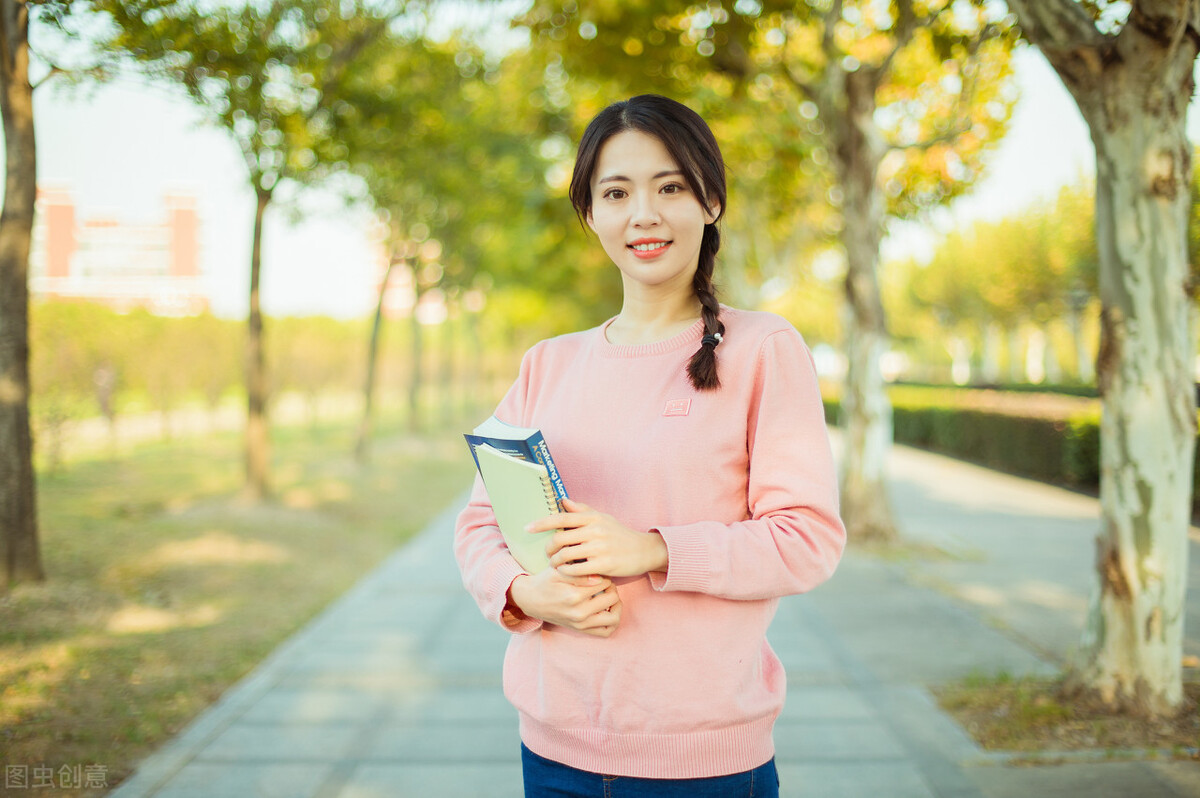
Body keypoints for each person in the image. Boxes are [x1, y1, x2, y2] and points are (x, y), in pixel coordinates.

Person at [454, 93, 846, 797]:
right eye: (616, 192)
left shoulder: (763, 350)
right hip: (551, 751)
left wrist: (655, 548)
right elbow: (481, 523)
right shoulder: (550, 362)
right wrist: (526, 591)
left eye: (670, 186)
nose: (644, 213)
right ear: (591, 214)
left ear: (711, 200)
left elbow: (807, 538)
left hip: (701, 765)